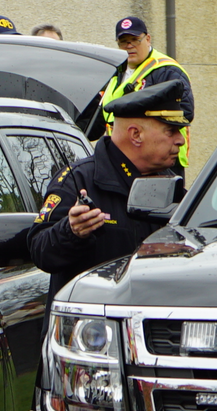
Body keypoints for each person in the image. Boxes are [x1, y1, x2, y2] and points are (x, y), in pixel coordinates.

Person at [28, 110, 186, 299]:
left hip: (150, 322)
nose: (180, 140)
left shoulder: (171, 186)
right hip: (90, 323)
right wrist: (71, 231)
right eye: (171, 131)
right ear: (136, 134)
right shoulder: (78, 180)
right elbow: (40, 251)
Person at [82, 17, 194, 169]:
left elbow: (185, 111)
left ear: (147, 39)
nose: (129, 46)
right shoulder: (115, 74)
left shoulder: (167, 70)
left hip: (160, 160)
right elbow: (99, 122)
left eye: (135, 40)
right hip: (121, 158)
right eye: (123, 42)